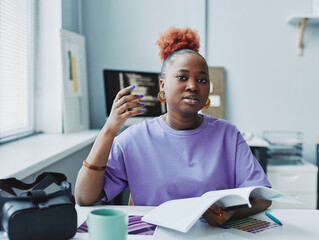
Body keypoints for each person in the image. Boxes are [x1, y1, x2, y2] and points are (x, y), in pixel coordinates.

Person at [75, 26, 271, 227]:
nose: (193, 86)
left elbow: (263, 197)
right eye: (182, 77)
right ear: (162, 85)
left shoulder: (227, 135)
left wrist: (231, 214)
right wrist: (108, 130)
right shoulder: (134, 138)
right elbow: (84, 197)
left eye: (202, 80)